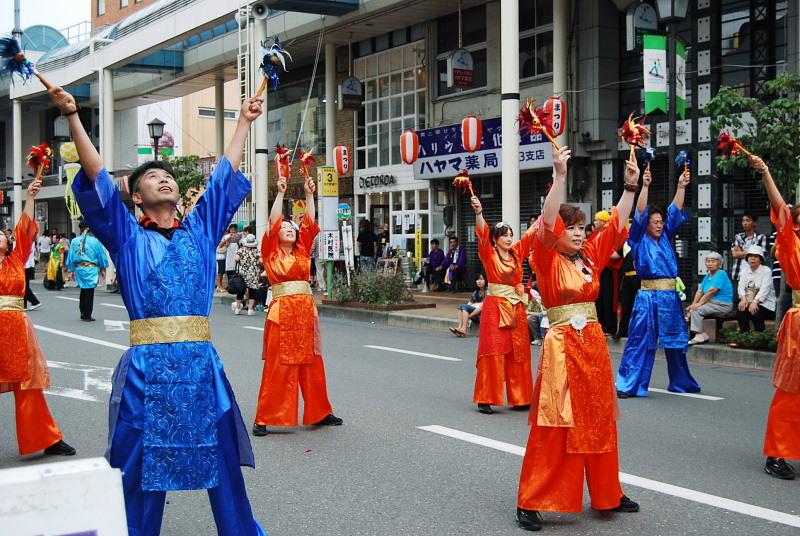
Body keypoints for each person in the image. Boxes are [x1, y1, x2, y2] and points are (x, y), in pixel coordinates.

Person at [52, 85, 265, 534]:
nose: (164, 178)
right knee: (135, 469)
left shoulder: (201, 231)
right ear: (136, 197)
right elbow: (97, 178)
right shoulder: (127, 237)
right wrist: (74, 117)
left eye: (168, 176)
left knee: (224, 467)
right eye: (151, 177)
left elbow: (225, 177)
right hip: (146, 371)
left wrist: (244, 122)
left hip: (201, 368)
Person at [515, 146, 640, 531]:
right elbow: (547, 220)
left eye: (581, 227)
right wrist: (560, 176)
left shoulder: (589, 256)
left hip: (593, 347)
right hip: (562, 346)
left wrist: (631, 187)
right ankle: (531, 500)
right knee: (556, 423)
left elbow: (618, 223)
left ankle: (608, 493)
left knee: (600, 419)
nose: (578, 233)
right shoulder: (547, 257)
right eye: (570, 228)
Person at [252, 167, 342, 436]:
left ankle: (320, 411)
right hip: (282, 312)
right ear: (276, 234)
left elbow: (310, 224)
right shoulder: (270, 251)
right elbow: (272, 222)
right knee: (279, 365)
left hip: (304, 311)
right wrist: (280, 193)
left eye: (293, 228)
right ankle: (265, 417)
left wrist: (309, 194)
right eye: (286, 228)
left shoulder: (302, 250)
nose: (291, 230)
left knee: (313, 363)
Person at [0, 174, 76, 458]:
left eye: (2, 234)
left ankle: (49, 438)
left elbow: (24, 228)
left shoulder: (16, 259)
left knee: (28, 385)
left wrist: (30, 197)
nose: (0, 234)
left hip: (17, 329)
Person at [615, 166, 701, 398]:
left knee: (676, 341)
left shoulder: (666, 235)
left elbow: (675, 210)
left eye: (661, 221)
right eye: (655, 221)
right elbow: (641, 211)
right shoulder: (639, 237)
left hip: (670, 296)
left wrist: (682, 187)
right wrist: (644, 186)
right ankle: (629, 384)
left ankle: (681, 382)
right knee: (640, 340)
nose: (659, 224)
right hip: (648, 296)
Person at [749, 154, 800, 480]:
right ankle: (777, 454)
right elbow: (782, 210)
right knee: (791, 391)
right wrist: (767, 172)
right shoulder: (792, 243)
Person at [468, 197, 537, 416]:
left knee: (519, 351)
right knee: (494, 350)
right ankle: (486, 397)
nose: (508, 239)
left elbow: (531, 235)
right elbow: (481, 234)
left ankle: (521, 397)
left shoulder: (517, 253)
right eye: (504, 236)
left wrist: (547, 212)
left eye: (510, 235)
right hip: (496, 308)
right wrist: (479, 214)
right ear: (495, 240)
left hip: (516, 308)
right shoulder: (488, 254)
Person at [686, 252, 734, 345]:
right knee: (693, 308)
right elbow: (700, 291)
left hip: (722, 304)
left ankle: (700, 334)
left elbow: (712, 291)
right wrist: (693, 304)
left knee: (696, 310)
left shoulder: (721, 274)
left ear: (719, 264)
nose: (710, 264)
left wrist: (699, 304)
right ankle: (701, 334)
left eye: (713, 261)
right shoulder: (708, 275)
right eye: (708, 261)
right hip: (711, 303)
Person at [66, 221, 109, 322]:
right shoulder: (95, 241)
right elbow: (101, 255)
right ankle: (87, 314)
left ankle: (82, 311)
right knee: (89, 291)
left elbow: (71, 257)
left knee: (83, 289)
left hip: (79, 268)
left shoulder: (75, 241)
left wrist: (71, 270)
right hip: (91, 268)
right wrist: (103, 268)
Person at [736, 244, 776, 333]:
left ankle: (759, 336)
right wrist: (743, 299)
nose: (752, 258)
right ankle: (744, 336)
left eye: (755, 256)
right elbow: (741, 286)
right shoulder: (744, 271)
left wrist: (755, 302)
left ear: (760, 259)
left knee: (755, 310)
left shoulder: (766, 270)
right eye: (750, 256)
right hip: (749, 301)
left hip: (765, 304)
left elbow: (764, 289)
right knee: (741, 309)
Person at [592, 210, 621, 335]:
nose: (594, 222)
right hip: (598, 271)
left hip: (608, 270)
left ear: (603, 221)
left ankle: (610, 327)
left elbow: (615, 253)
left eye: (596, 220)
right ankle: (601, 325)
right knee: (599, 299)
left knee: (608, 298)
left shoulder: (609, 234)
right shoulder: (596, 235)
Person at [731, 213, 768, 293]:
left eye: (748, 220)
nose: (745, 223)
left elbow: (762, 255)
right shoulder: (738, 236)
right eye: (743, 221)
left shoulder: (761, 237)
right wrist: (753, 251)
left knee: (753, 300)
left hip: (756, 275)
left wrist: (741, 252)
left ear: (754, 223)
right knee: (736, 301)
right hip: (738, 274)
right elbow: (734, 254)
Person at [613, 239, 640, 341]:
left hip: (639, 278)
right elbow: (614, 255)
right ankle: (622, 331)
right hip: (626, 279)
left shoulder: (644, 242)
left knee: (638, 306)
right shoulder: (625, 243)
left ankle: (637, 332)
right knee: (625, 305)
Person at [450, 272, 486, 337]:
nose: (479, 281)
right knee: (461, 306)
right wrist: (466, 314)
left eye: (481, 279)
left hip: (483, 315)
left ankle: (463, 329)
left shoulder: (488, 292)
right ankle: (459, 328)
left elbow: (481, 308)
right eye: (477, 279)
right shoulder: (476, 292)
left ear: (486, 281)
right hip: (476, 314)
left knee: (464, 307)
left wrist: (469, 316)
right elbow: (469, 304)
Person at [234, 233, 261, 316]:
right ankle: (250, 309)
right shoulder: (257, 251)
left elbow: (236, 259)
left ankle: (238, 308)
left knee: (240, 290)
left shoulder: (241, 250)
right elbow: (261, 261)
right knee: (252, 291)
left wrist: (242, 262)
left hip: (243, 272)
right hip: (254, 273)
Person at [215, 223, 236, 292]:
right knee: (220, 272)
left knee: (222, 272)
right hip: (220, 257)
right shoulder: (222, 236)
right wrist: (226, 239)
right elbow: (220, 245)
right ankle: (218, 286)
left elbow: (226, 245)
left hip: (223, 256)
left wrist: (227, 241)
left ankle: (220, 286)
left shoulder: (224, 236)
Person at [23, 238, 41, 311]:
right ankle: (28, 303)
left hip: (25, 266)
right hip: (28, 265)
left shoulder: (26, 241)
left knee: (24, 286)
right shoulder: (31, 241)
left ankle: (34, 302)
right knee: (24, 286)